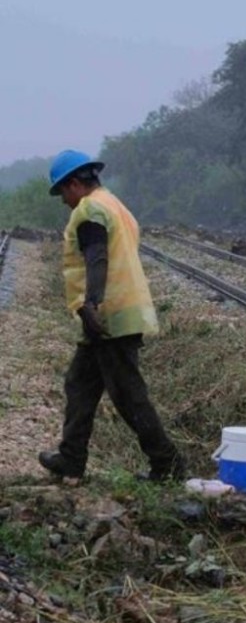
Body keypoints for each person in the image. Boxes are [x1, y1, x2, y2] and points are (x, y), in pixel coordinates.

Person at [38, 150, 186, 482]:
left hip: (109, 316)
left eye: (63, 192)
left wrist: (90, 304)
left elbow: (97, 257)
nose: (64, 201)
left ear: (74, 184)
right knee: (79, 383)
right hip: (113, 313)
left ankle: (168, 465)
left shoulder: (90, 209)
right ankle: (71, 458)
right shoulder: (115, 205)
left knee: (128, 395)